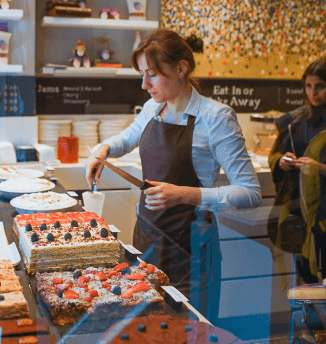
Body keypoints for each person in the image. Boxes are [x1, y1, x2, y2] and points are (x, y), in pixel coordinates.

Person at [86, 29, 261, 319]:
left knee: (186, 329)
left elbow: (250, 191)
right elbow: (130, 136)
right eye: (142, 74)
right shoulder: (153, 108)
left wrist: (183, 194)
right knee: (145, 325)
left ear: (181, 69)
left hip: (190, 246)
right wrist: (104, 149)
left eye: (152, 74)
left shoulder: (216, 118)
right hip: (147, 237)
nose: (145, 84)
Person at [269, 58, 326, 283]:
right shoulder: (294, 121)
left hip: (324, 209)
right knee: (304, 275)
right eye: (308, 86)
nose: (313, 93)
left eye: (321, 86)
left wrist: (319, 168)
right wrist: (282, 161)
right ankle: (309, 316)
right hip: (301, 210)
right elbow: (274, 155)